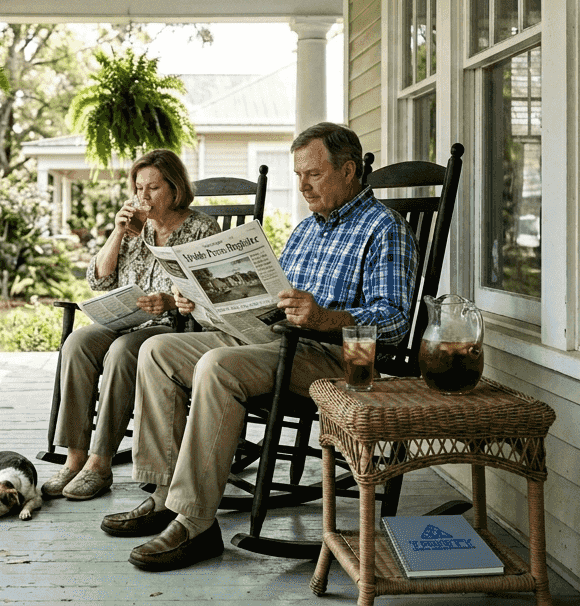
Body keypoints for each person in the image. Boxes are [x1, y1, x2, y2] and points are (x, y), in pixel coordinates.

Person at [99, 122, 419, 572]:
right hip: (273, 340)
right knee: (158, 352)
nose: (303, 186)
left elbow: (394, 322)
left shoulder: (385, 229)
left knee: (217, 366)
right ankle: (164, 495)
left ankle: (195, 522)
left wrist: (325, 317)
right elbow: (272, 296)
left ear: (348, 171)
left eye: (313, 174)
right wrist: (205, 299)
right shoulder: (308, 229)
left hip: (333, 357)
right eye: (298, 175)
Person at [40, 149, 221, 502]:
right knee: (78, 342)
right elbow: (99, 279)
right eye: (139, 188)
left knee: (122, 352)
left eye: (153, 188)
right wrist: (118, 232)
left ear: (175, 187)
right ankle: (74, 458)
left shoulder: (201, 228)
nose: (144, 196)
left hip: (173, 328)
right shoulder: (135, 227)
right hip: (126, 320)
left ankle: (100, 463)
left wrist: (169, 302)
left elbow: (211, 292)